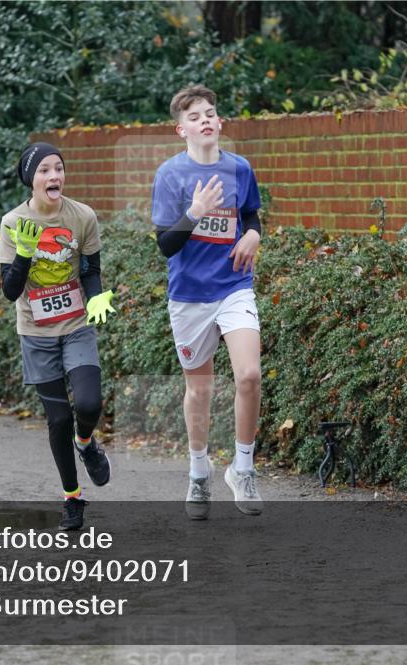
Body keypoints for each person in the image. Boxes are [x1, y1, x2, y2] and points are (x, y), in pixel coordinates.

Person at [150, 84, 264, 519]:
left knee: (249, 375)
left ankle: (244, 467)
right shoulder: (170, 176)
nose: (205, 120)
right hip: (189, 295)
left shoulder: (239, 168)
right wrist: (194, 211)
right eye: (195, 116)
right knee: (199, 388)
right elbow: (165, 245)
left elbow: (251, 214)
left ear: (219, 124)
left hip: (233, 286)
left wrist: (253, 234)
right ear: (182, 130)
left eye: (211, 114)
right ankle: (199, 472)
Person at [0, 142, 116, 530]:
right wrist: (25, 253)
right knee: (58, 420)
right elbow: (11, 290)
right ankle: (72, 498)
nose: (54, 176)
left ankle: (87, 444)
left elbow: (90, 269)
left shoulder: (82, 216)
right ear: (31, 179)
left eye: (59, 169)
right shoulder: (13, 223)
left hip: (76, 324)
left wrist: (96, 297)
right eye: (45, 170)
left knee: (87, 403)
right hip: (36, 332)